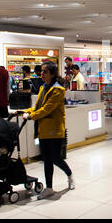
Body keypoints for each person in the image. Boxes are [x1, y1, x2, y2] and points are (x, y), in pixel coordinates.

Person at [20, 61, 75, 199]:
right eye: (42, 71)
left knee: (56, 158)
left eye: (45, 71)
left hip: (54, 130)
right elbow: (38, 106)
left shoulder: (57, 90)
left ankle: (70, 175)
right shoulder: (43, 88)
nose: (42, 74)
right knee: (47, 159)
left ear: (52, 74)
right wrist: (25, 111)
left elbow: (46, 109)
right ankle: (49, 187)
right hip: (43, 129)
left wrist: (31, 116)